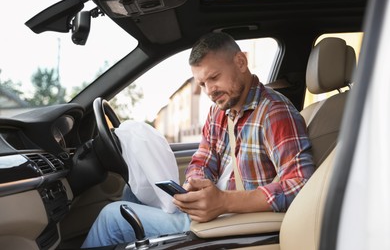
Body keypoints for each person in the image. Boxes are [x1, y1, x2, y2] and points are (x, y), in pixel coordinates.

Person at [81, 32, 314, 248]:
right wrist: (196, 184)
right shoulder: (220, 110)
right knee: (132, 191)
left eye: (214, 77)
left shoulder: (274, 113)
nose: (210, 90)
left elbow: (301, 185)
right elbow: (203, 158)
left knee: (112, 217)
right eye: (202, 84)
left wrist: (224, 202)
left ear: (241, 62)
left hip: (235, 222)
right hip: (212, 211)